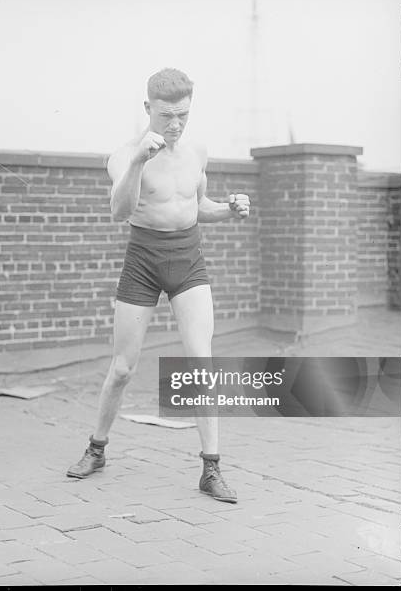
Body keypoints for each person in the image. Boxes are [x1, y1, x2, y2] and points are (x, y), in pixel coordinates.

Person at [67, 68, 250, 503]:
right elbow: (119, 210)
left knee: (202, 362)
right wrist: (137, 163)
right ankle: (97, 448)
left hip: (188, 260)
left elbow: (194, 205)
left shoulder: (197, 151)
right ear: (148, 108)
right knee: (124, 367)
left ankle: (211, 468)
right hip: (143, 260)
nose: (174, 124)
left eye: (183, 115)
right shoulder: (124, 154)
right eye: (166, 115)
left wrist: (230, 209)